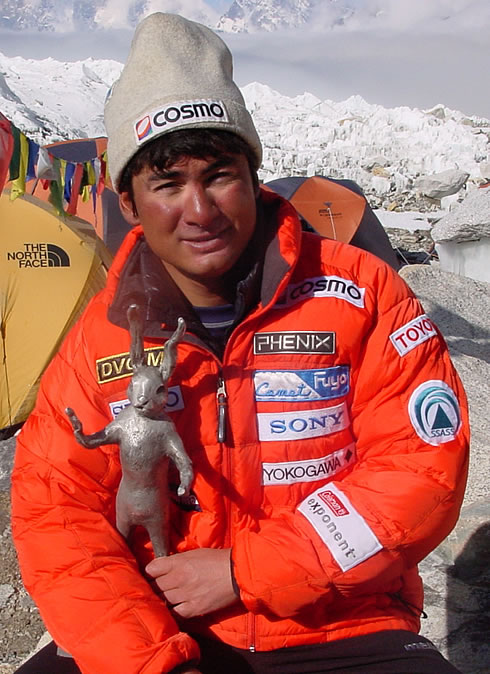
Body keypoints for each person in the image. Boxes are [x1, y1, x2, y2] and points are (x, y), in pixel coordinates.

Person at [11, 12, 469, 674]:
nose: (200, 210)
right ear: (129, 203)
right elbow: (58, 512)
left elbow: (420, 468)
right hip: (163, 627)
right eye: (168, 184)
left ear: (253, 176)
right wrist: (148, 660)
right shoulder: (100, 338)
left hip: (342, 623)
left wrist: (244, 570)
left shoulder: (363, 293)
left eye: (219, 175)